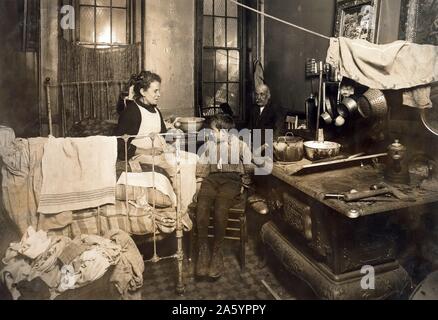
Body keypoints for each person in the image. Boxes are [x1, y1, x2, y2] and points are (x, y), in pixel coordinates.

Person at [194, 114, 254, 280]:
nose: (211, 134)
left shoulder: (241, 145)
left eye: (214, 131)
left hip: (231, 180)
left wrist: (244, 184)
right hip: (212, 179)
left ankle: (217, 251)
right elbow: (202, 164)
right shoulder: (209, 145)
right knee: (202, 205)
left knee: (221, 207)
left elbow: (249, 167)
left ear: (225, 132)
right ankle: (203, 249)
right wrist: (199, 181)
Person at [114, 71, 167, 160]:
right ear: (143, 92)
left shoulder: (156, 110)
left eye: (159, 91)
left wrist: (170, 141)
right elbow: (119, 143)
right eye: (155, 91)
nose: (159, 95)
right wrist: (146, 151)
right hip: (141, 158)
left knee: (192, 158)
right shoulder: (132, 112)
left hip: (160, 154)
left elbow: (163, 133)